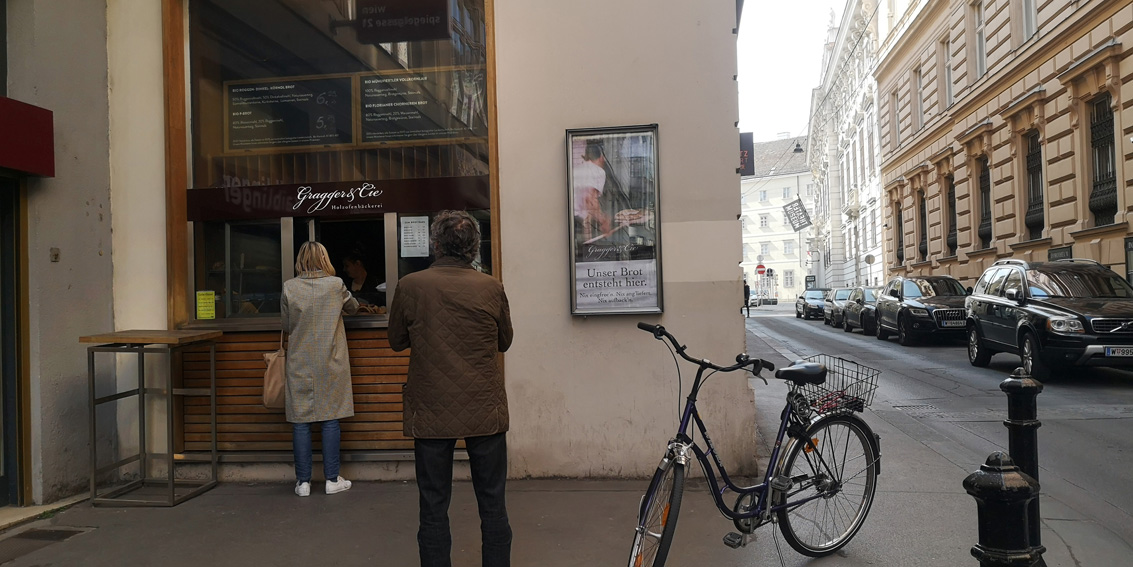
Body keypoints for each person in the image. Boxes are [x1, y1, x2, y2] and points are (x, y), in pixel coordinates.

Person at [388, 210, 514, 567]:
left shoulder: (411, 285)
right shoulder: (491, 286)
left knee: (432, 505)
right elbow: (504, 342)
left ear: (436, 243)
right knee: (493, 505)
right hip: (484, 408)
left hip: (430, 408)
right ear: (474, 247)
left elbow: (396, 341)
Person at [280, 241, 359, 497]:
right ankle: (332, 480)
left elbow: (287, 324)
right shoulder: (335, 285)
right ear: (324, 259)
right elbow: (353, 307)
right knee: (330, 418)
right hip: (330, 361)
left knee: (301, 422)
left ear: (300, 260)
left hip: (300, 361)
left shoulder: (290, 287)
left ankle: (303, 483)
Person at [573, 141, 612, 245]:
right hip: (578, 222)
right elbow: (589, 199)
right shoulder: (598, 171)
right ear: (601, 158)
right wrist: (603, 221)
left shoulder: (575, 170)